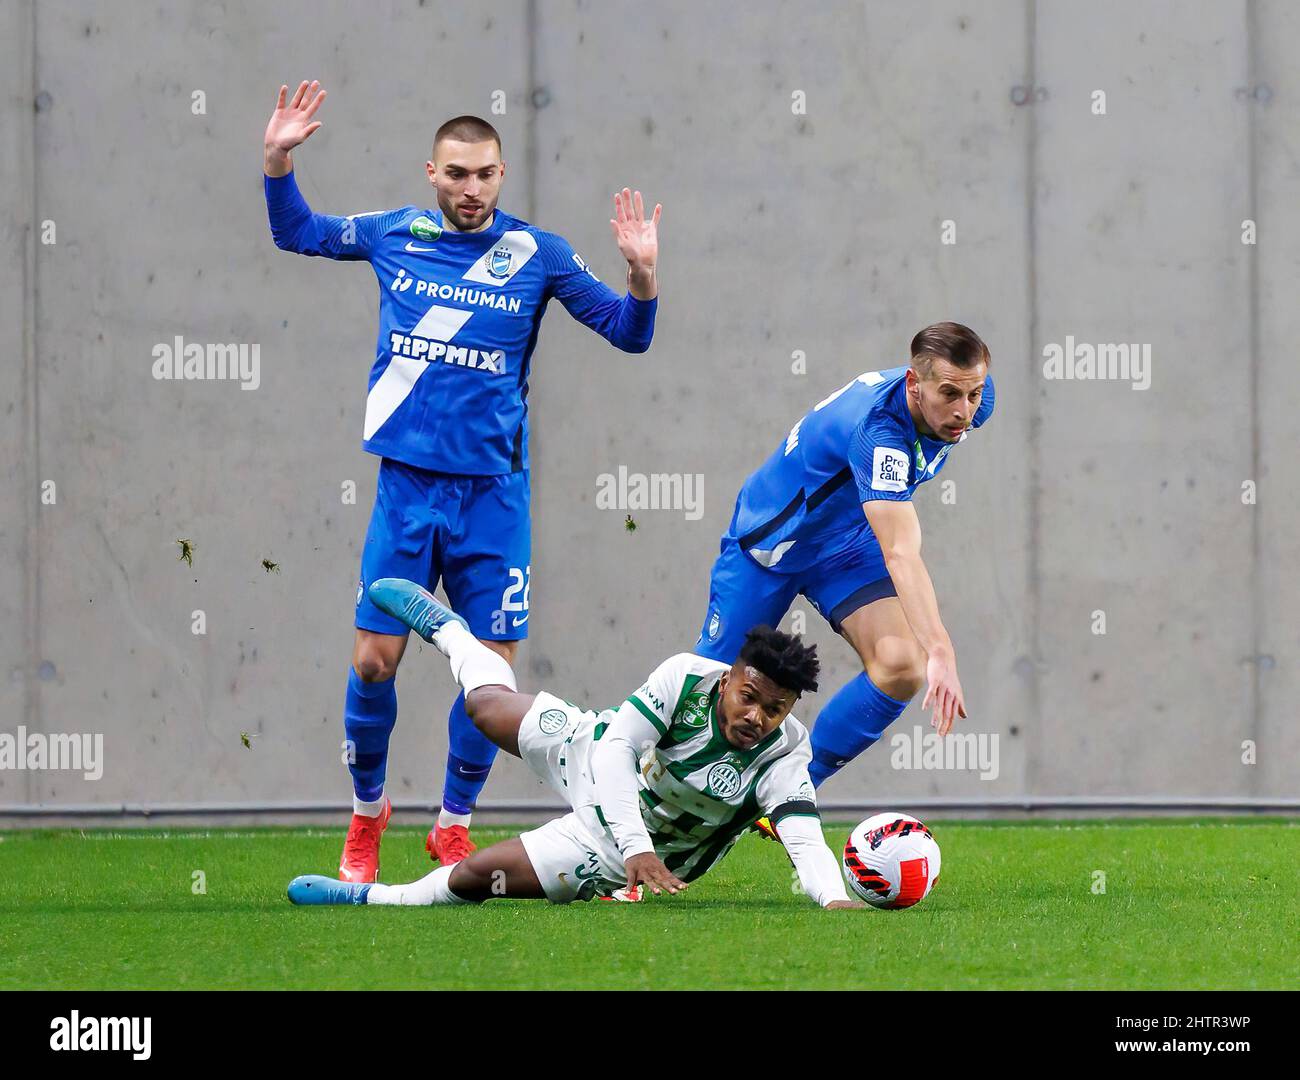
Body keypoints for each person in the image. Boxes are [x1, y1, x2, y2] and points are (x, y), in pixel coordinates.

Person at [262, 81, 661, 880]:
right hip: (408, 489)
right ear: (431, 174)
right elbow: (298, 233)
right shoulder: (393, 234)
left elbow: (627, 334)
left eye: (483, 175)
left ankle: (451, 824)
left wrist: (643, 276)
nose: (469, 189)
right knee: (374, 661)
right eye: (455, 174)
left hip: (494, 499)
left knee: (490, 678)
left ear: (502, 174)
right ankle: (368, 815)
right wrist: (277, 162)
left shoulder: (537, 254)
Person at [287, 579, 863, 909]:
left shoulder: (786, 752)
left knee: (472, 878)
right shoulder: (687, 675)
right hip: (599, 756)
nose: (758, 716)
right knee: (483, 708)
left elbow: (805, 840)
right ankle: (451, 632)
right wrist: (638, 842)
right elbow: (615, 750)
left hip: (612, 851)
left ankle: (376, 900)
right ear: (728, 676)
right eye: (750, 696)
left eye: (775, 708)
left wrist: (835, 902)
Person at [695, 323, 994, 818]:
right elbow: (900, 552)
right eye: (949, 395)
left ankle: (792, 787)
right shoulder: (879, 433)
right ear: (914, 386)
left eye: (974, 393)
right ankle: (618, 826)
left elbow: (893, 539)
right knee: (701, 691)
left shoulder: (969, 395)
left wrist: (926, 652)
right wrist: (941, 647)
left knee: (900, 664)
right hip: (773, 545)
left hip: (846, 544)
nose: (964, 410)